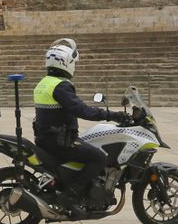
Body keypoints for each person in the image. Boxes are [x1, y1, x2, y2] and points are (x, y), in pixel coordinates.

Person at [32, 38, 134, 210]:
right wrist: (113, 115)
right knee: (99, 158)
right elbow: (83, 110)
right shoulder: (61, 86)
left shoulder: (43, 84)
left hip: (45, 139)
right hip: (61, 143)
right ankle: (70, 194)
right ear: (66, 62)